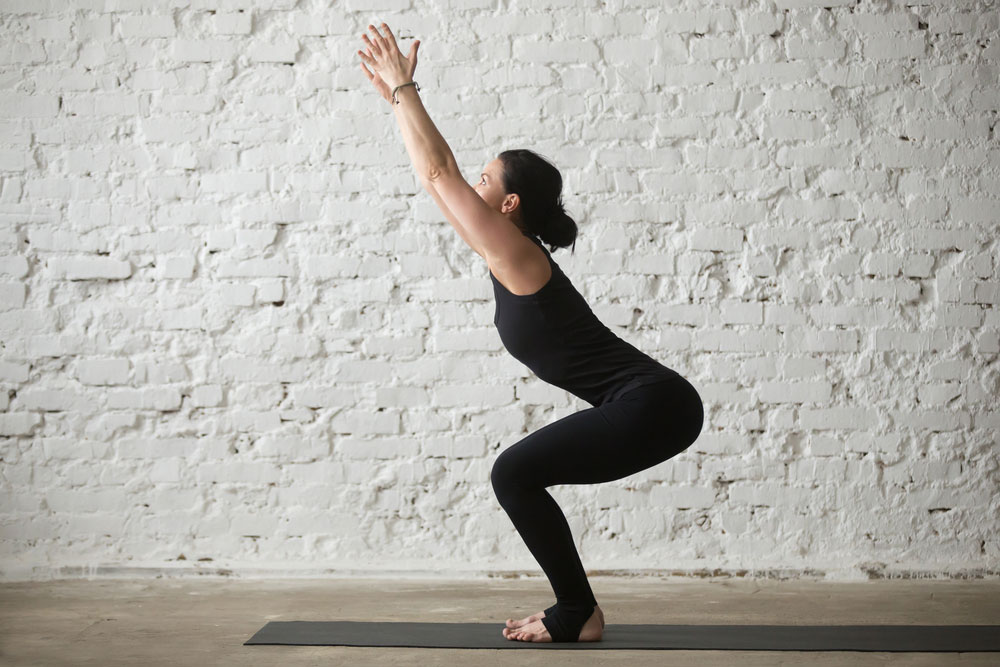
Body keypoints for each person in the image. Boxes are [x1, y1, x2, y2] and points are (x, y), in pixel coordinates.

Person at [359, 23, 704, 644]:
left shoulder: (519, 254)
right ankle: (579, 609)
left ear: (510, 205)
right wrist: (394, 100)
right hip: (652, 403)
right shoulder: (505, 253)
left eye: (486, 179)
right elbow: (430, 175)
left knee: (511, 474)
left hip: (655, 401)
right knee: (516, 473)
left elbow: (441, 173)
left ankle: (577, 612)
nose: (474, 185)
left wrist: (407, 86)